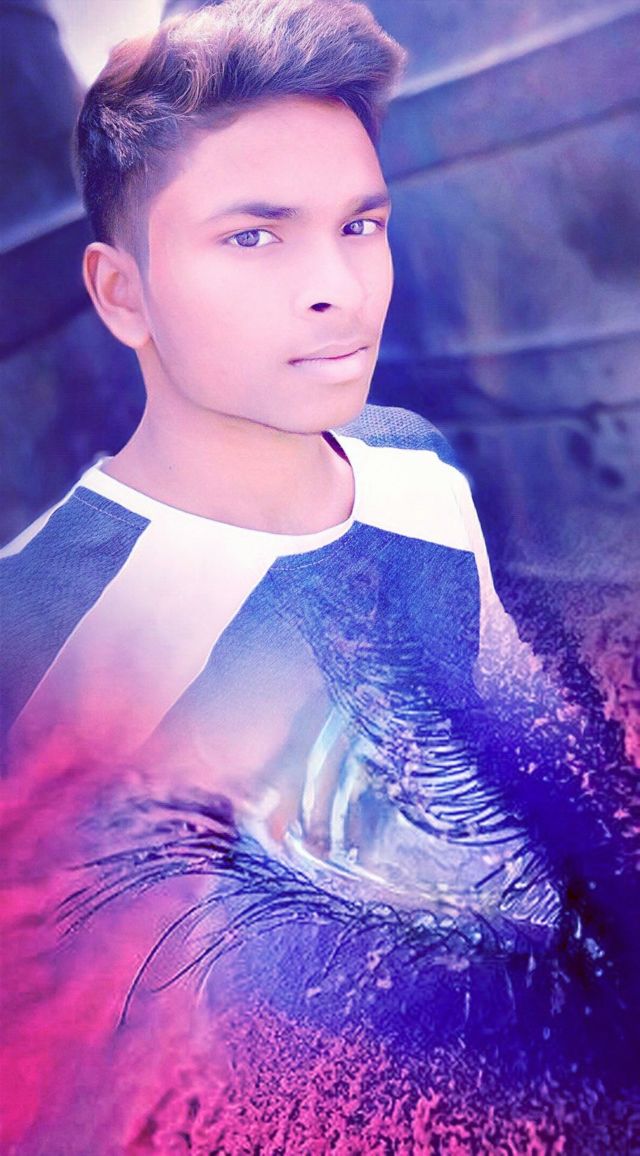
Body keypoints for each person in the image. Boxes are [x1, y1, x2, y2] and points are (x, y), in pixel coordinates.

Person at [1, 2, 638, 1150]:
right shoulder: (42, 628)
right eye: (254, 237)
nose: (337, 287)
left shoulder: (411, 468)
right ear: (122, 292)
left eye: (360, 224)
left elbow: (528, 759)